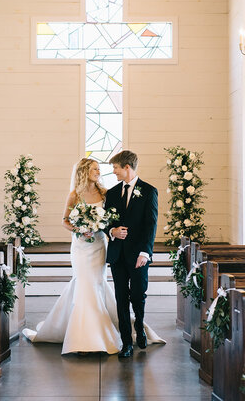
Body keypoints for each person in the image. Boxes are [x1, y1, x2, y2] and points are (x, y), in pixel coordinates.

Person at [22, 157, 164, 355]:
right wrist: (80, 229)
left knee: (98, 285)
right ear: (84, 171)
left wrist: (108, 230)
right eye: (95, 169)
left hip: (99, 245)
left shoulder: (105, 193)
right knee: (85, 285)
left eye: (100, 168)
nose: (100, 172)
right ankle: (84, 336)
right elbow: (65, 220)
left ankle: (118, 330)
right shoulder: (75, 195)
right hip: (81, 247)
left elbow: (112, 218)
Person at [104, 150, 158, 358]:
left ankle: (141, 329)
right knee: (120, 298)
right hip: (118, 254)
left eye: (116, 168)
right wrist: (112, 231)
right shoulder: (112, 193)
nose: (114, 172)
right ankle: (126, 342)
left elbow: (150, 225)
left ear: (127, 167)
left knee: (138, 296)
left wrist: (145, 252)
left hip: (139, 255)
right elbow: (106, 222)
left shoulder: (149, 191)